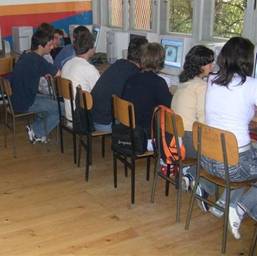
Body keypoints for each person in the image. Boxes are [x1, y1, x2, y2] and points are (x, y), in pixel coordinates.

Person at [198, 37, 257, 239]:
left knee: (249, 155)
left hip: (207, 159)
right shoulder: (250, 85)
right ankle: (240, 206)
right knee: (248, 160)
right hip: (232, 166)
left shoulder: (212, 79)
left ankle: (223, 202)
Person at [171, 45, 214, 191]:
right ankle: (191, 175)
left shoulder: (184, 82)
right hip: (190, 141)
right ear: (201, 66)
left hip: (176, 138)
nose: (212, 66)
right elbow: (203, 121)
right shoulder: (201, 86)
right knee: (221, 155)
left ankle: (188, 172)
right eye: (209, 63)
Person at [10, 29, 60, 143]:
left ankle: (37, 130)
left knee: (51, 99)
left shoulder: (26, 55)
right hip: (25, 102)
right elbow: (58, 74)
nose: (52, 47)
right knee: (62, 108)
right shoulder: (38, 60)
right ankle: (36, 131)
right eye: (49, 45)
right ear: (40, 46)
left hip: (17, 98)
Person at [91, 37, 148, 132]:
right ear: (144, 57)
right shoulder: (135, 75)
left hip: (92, 117)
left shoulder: (118, 63)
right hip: (105, 123)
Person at [122, 42, 172, 142]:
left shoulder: (131, 78)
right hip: (145, 134)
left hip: (128, 129)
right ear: (161, 61)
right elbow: (169, 106)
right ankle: (162, 156)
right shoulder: (158, 83)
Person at [61, 29, 99, 122]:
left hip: (69, 115)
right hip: (82, 118)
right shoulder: (89, 69)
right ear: (90, 48)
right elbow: (100, 94)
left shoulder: (67, 64)